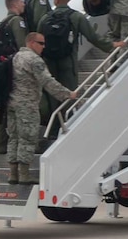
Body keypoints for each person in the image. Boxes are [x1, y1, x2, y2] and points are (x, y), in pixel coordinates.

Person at [6, 31, 76, 184]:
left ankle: (13, 174)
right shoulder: (34, 60)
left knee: (14, 138)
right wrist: (66, 94)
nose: (44, 47)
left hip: (11, 104)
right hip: (27, 104)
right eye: (41, 43)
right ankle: (24, 175)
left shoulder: (15, 57)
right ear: (31, 42)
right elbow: (46, 81)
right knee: (28, 138)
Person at [39, 0, 114, 88]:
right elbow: (92, 37)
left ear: (55, 0)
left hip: (49, 61)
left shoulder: (45, 18)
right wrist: (111, 45)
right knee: (70, 91)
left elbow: (37, 39)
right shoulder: (76, 16)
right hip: (68, 61)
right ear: (68, 0)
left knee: (53, 91)